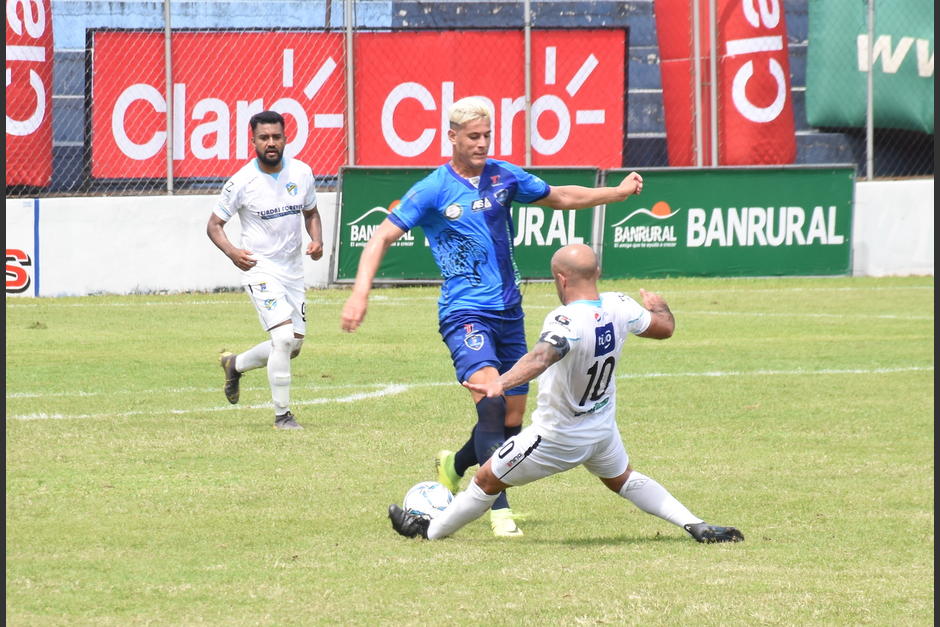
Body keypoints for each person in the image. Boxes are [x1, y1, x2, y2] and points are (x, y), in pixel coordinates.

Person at [341, 97, 645, 537]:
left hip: (508, 311)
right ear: (452, 137)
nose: (482, 144)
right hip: (465, 312)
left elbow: (560, 196)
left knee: (510, 420)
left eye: (487, 135)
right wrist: (359, 294)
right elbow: (381, 236)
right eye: (473, 137)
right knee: (491, 402)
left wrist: (615, 193)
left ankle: (455, 464)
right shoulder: (432, 189)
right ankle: (497, 508)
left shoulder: (504, 176)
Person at [388, 243, 744, 544]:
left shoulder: (565, 319)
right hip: (602, 430)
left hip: (557, 437)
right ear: (597, 271)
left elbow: (543, 355)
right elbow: (664, 328)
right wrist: (659, 304)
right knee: (623, 479)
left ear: (561, 278)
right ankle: (695, 525)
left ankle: (428, 531)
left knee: (485, 480)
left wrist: (502, 382)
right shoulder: (620, 305)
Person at [207, 110, 324, 430]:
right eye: (264, 138)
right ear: (254, 141)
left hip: (292, 270)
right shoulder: (242, 182)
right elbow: (214, 225)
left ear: (285, 138)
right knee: (284, 338)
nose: (271, 143)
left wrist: (317, 240)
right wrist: (233, 252)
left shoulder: (301, 173)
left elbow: (311, 213)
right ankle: (282, 416)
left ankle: (235, 364)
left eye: (276, 137)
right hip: (260, 268)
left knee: (292, 346)